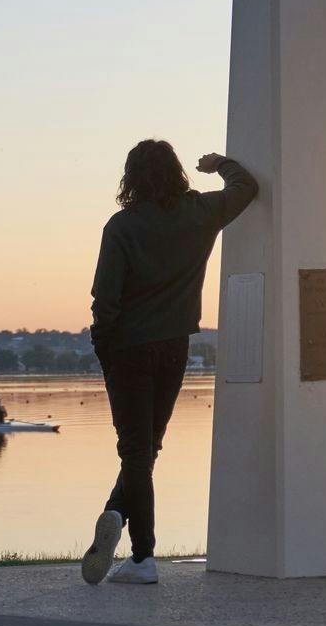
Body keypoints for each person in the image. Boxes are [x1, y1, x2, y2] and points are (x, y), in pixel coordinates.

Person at [81, 140, 258, 585]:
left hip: (128, 349)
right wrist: (219, 163)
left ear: (130, 178)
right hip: (175, 347)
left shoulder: (121, 227)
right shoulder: (198, 213)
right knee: (147, 448)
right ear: (177, 172)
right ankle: (116, 512)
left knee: (135, 450)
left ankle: (143, 557)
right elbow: (246, 187)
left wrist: (103, 347)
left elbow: (105, 298)